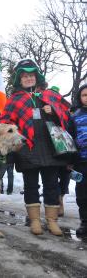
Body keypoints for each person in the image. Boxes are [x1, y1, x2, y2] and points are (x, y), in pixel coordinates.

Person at [0, 58, 70, 236]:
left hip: (50, 148)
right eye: (25, 76)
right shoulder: (14, 100)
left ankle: (52, 222)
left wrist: (53, 112)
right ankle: (35, 221)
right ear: (19, 80)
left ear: (37, 77)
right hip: (27, 149)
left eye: (31, 75)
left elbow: (66, 116)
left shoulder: (49, 95)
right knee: (31, 186)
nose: (29, 79)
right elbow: (5, 123)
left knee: (52, 185)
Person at [68, 83, 87, 236]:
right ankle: (84, 222)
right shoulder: (75, 116)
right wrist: (70, 160)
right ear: (80, 98)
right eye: (84, 95)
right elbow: (70, 139)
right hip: (82, 161)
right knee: (82, 194)